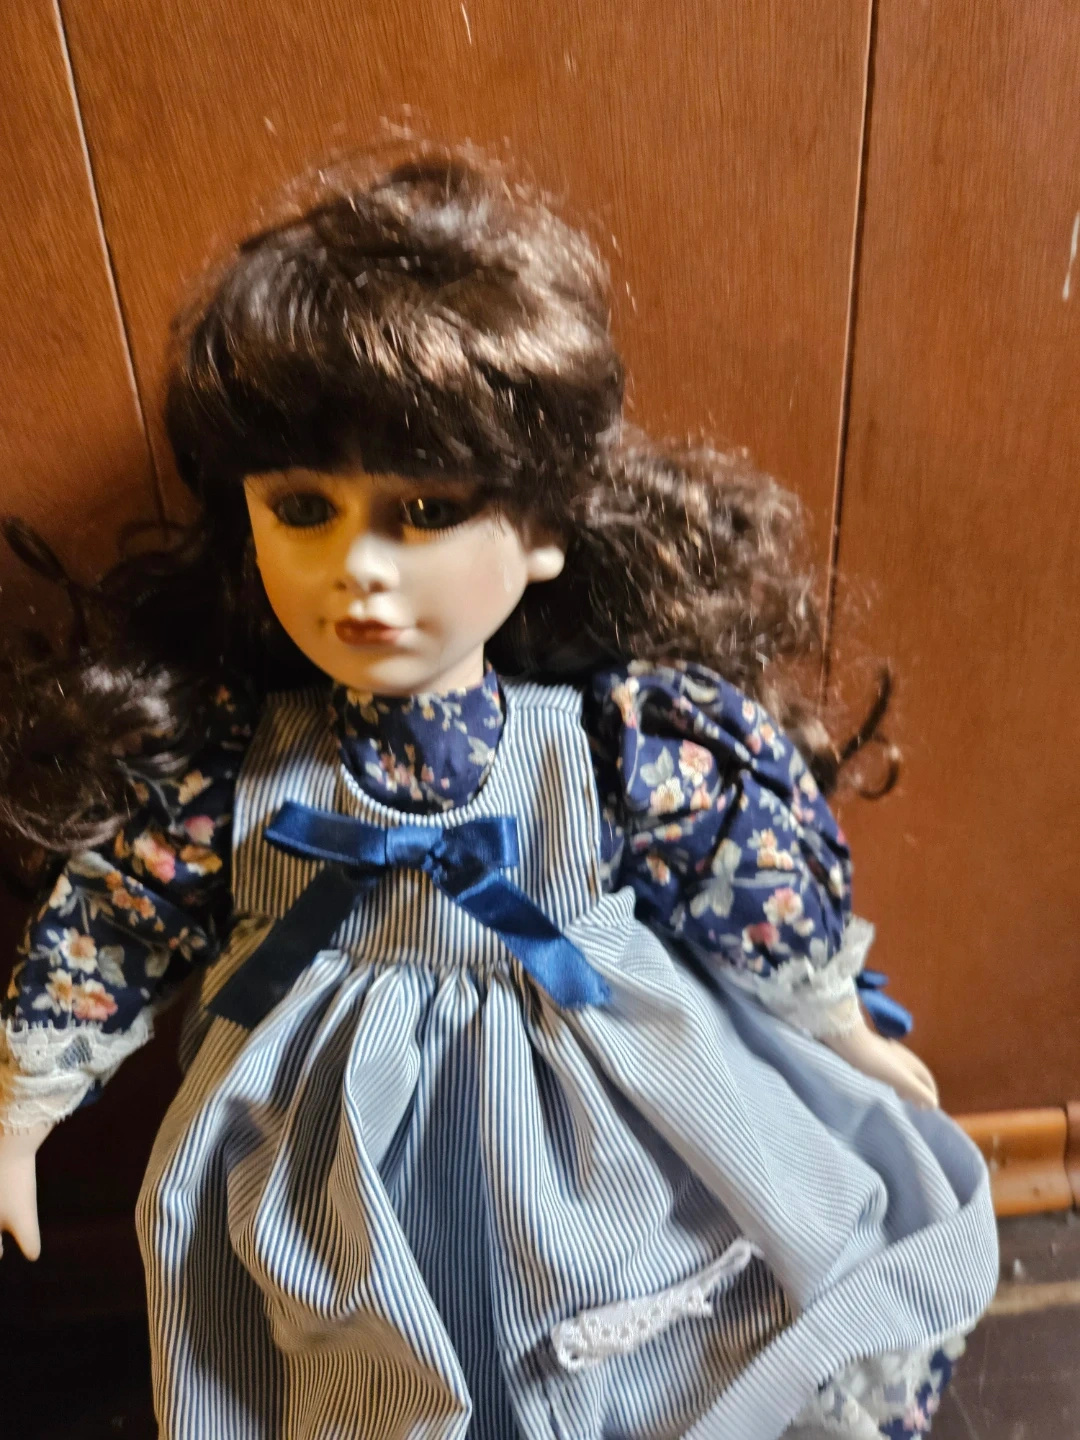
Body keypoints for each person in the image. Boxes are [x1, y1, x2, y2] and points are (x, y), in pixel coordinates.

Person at [0, 153, 996, 1439]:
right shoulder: (231, 778)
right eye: (302, 508)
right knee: (353, 1359)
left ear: (542, 532)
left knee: (620, 1337)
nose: (358, 570)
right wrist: (22, 1102)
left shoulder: (612, 750)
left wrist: (840, 1028)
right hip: (321, 1148)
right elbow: (119, 922)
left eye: (424, 510)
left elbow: (748, 876)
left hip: (592, 1106)